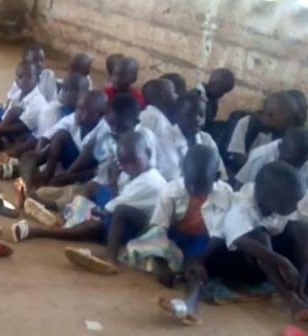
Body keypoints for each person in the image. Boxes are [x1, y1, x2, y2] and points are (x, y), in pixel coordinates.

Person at [12, 131, 167, 275]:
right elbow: (116, 199)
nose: (129, 167)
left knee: (95, 224)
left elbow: (111, 208)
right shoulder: (137, 172)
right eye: (124, 163)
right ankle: (69, 220)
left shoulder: (150, 182)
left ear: (147, 153)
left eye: (133, 161)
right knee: (92, 187)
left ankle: (108, 256)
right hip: (120, 211)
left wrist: (94, 210)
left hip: (134, 230)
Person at [123, 146, 233, 325]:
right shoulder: (170, 191)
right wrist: (162, 264)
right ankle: (173, 267)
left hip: (205, 244)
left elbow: (220, 235)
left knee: (194, 270)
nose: (193, 189)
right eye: (189, 183)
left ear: (216, 178)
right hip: (175, 240)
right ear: (182, 172)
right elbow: (158, 230)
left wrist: (200, 260)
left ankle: (190, 305)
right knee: (137, 245)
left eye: (200, 186)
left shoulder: (226, 193)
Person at [221, 162, 308, 321]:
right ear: (265, 199)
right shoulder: (241, 207)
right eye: (289, 203)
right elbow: (241, 241)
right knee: (261, 236)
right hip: (238, 262)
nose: (294, 207)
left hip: (273, 259)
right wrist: (283, 262)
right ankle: (290, 299)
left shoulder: (281, 199)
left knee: (301, 228)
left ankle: (300, 290)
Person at [19, 90, 109, 186]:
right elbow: (45, 137)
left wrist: (68, 176)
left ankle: (58, 180)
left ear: (100, 114)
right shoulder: (74, 118)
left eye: (85, 110)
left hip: (86, 172)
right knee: (61, 135)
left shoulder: (105, 132)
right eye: (78, 108)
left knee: (89, 150)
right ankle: (47, 174)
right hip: (71, 160)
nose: (78, 113)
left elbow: (97, 171)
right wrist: (38, 154)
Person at [3, 73, 86, 159]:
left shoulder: (85, 115)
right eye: (65, 89)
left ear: (86, 93)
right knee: (30, 142)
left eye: (75, 91)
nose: (69, 94)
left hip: (69, 152)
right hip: (46, 144)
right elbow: (43, 136)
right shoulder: (54, 109)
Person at [225, 92, 300, 173]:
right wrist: (260, 164)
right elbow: (237, 157)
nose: (288, 125)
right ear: (271, 115)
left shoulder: (279, 135)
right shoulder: (246, 123)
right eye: (287, 121)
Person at [170, 93, 227, 179]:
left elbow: (220, 173)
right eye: (189, 115)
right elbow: (172, 176)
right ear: (177, 115)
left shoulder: (206, 139)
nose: (197, 119)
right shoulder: (166, 140)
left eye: (201, 115)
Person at [235, 128, 308, 187]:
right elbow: (253, 192)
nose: (291, 167)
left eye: (297, 163)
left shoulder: (302, 159)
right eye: (290, 162)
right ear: (279, 147)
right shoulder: (261, 157)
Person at [140, 78, 181, 180]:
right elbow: (143, 148)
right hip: (153, 178)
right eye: (173, 91)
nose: (177, 95)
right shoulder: (151, 116)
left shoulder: (159, 116)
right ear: (163, 95)